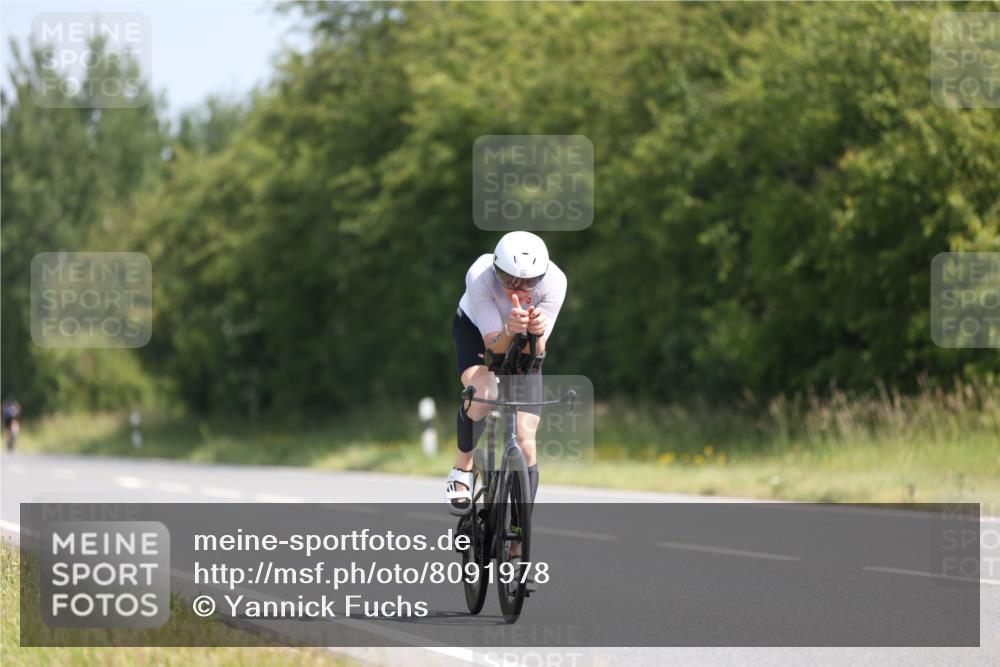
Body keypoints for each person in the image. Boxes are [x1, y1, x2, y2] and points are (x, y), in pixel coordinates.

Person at [446, 231, 567, 532]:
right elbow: (494, 348)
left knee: (527, 444)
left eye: (530, 281)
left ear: (544, 274)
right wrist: (511, 328)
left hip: (524, 334)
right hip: (476, 329)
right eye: (510, 279)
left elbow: (536, 354)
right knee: (484, 392)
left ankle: (517, 537)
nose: (520, 288)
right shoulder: (480, 275)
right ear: (496, 269)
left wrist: (536, 333)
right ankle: (462, 469)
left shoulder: (555, 282)